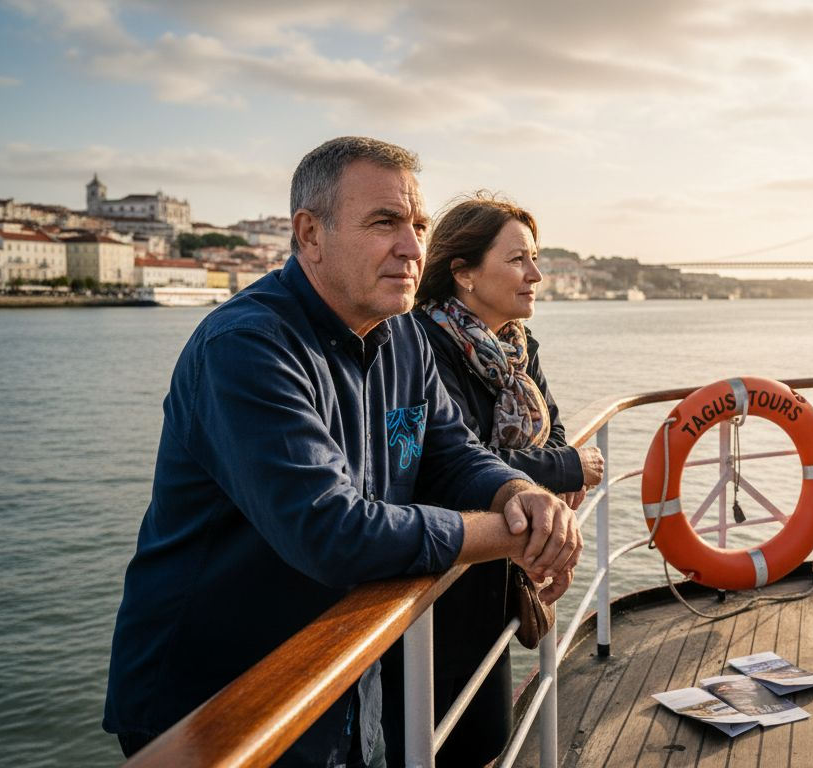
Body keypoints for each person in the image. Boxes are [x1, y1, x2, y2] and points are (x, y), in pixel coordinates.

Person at [103, 137, 583, 767]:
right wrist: (513, 535)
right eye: (384, 222)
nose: (412, 248)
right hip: (211, 700)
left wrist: (519, 492)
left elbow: (453, 453)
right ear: (310, 235)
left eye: (418, 225)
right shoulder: (247, 348)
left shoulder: (403, 333)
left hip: (339, 676)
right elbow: (331, 531)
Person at [403, 194, 605, 766]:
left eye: (534, 258)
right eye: (518, 260)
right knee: (435, 739)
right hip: (443, 583)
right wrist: (567, 469)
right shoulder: (425, 346)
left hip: (500, 566)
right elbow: (455, 458)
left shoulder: (517, 345)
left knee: (488, 735)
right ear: (464, 273)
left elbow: (554, 431)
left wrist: (554, 480)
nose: (536, 274)